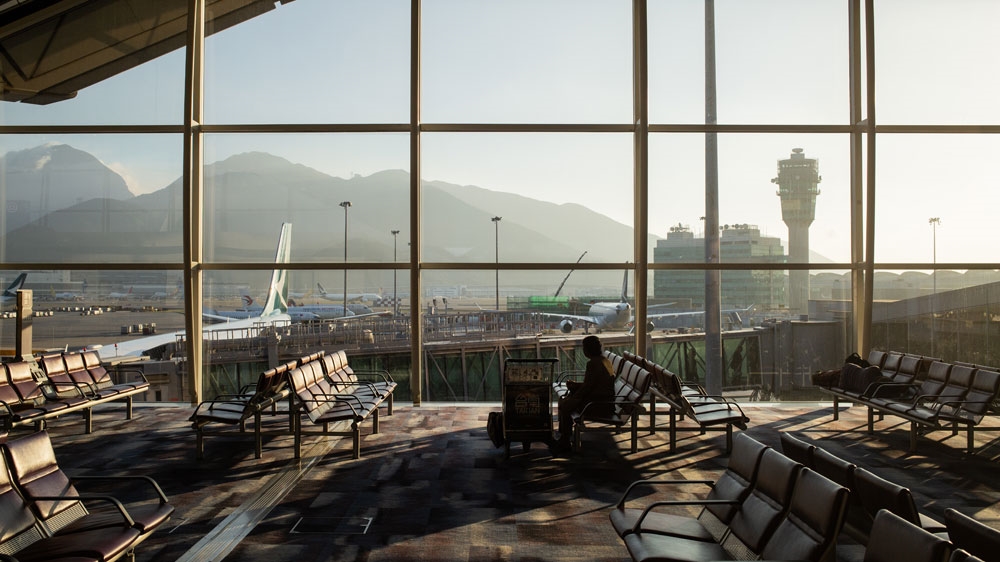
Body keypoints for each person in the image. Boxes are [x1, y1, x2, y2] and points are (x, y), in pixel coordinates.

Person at [555, 335, 616, 451]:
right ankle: (564, 438)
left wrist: (573, 398)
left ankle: (565, 440)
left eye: (584, 348)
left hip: (597, 404)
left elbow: (587, 388)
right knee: (566, 401)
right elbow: (593, 384)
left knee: (565, 405)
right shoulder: (605, 361)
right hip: (605, 401)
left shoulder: (593, 364)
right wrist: (575, 386)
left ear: (588, 349)